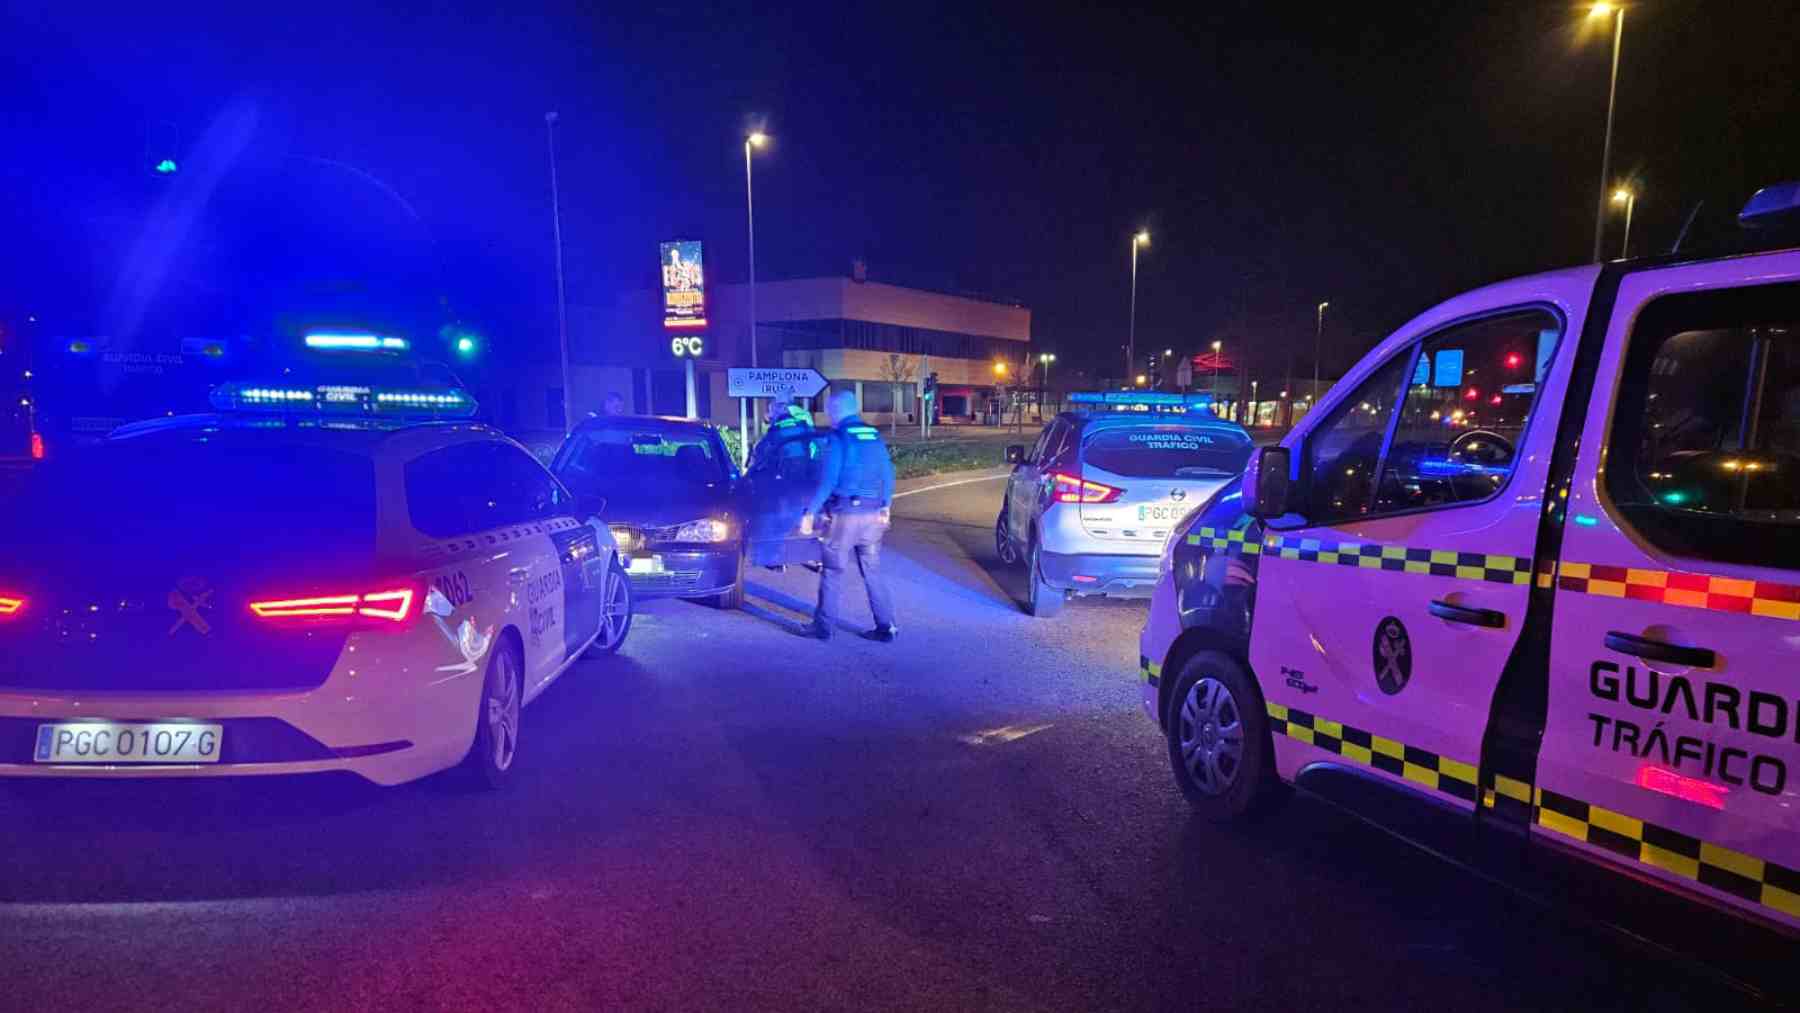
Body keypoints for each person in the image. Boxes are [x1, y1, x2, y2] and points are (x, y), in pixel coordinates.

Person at [802, 387, 897, 642]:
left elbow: (829, 480)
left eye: (829, 409)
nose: (828, 415)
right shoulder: (873, 435)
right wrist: (885, 504)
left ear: (836, 410)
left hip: (847, 516)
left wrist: (810, 512)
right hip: (874, 514)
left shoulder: (838, 438)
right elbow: (888, 474)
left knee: (832, 570)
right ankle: (885, 627)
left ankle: (823, 628)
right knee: (873, 571)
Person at [751, 395, 814, 471]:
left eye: (772, 411)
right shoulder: (803, 424)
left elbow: (765, 444)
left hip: (785, 466)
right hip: (805, 464)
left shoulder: (778, 428)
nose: (771, 414)